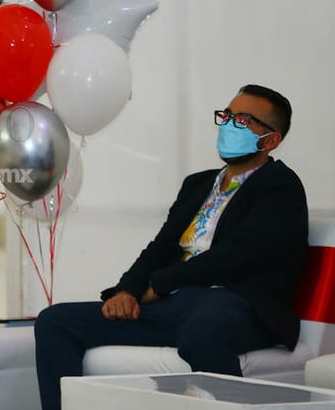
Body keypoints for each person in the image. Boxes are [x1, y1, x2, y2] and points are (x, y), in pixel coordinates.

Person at [34, 84, 308, 410]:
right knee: (55, 322)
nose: (229, 125)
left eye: (244, 120)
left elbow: (237, 255)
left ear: (271, 139)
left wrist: (160, 286)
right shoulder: (198, 184)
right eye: (227, 116)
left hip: (236, 303)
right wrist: (128, 290)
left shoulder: (280, 186)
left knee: (203, 333)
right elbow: (160, 247)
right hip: (173, 304)